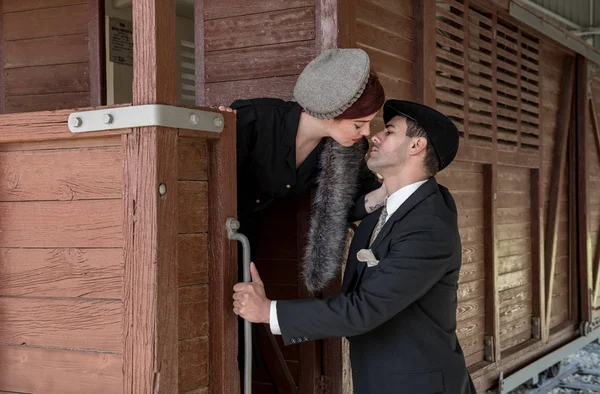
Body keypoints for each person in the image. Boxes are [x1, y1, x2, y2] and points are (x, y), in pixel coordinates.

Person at [232, 99, 477, 394]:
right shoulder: (387, 208)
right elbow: (340, 206)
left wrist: (268, 311)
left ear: (416, 146)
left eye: (389, 132)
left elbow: (364, 310)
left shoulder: (429, 225)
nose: (374, 135)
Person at [227, 48, 387, 292]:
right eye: (359, 124)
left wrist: (396, 184)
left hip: (247, 239)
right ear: (330, 114)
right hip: (214, 230)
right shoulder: (256, 119)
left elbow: (362, 195)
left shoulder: (345, 149)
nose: (366, 132)